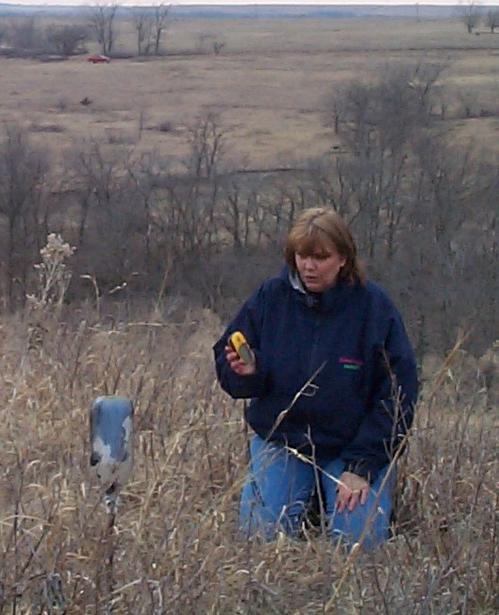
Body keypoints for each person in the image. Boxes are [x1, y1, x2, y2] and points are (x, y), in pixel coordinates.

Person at [213, 207, 418, 549]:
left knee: (359, 544)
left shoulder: (374, 308)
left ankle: (340, 501)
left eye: (320, 258)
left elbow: (399, 394)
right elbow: (227, 360)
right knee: (258, 540)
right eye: (302, 256)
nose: (309, 267)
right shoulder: (270, 298)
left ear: (343, 259)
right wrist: (248, 374)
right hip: (284, 442)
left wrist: (363, 465)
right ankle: (305, 502)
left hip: (351, 448)